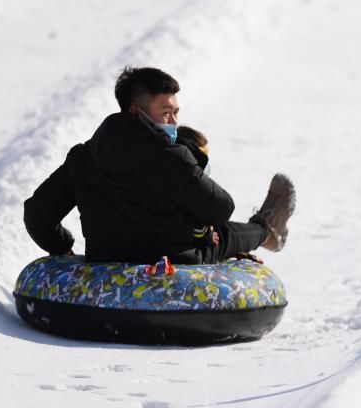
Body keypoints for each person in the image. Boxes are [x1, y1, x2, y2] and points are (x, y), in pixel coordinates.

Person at [23, 66, 296, 264]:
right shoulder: (172, 159)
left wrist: (64, 250)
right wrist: (200, 229)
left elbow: (38, 215)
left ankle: (264, 229)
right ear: (135, 112)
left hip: (104, 261)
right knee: (224, 234)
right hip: (178, 262)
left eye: (176, 113)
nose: (174, 123)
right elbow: (222, 208)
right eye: (166, 113)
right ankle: (267, 228)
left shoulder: (83, 157)